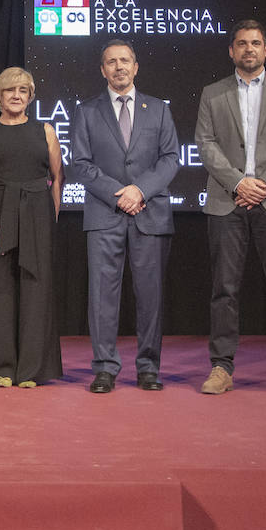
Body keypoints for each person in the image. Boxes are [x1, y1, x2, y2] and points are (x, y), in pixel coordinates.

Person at [194, 20, 266, 398]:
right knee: (224, 289)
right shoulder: (212, 93)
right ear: (231, 51)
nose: (249, 49)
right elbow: (206, 144)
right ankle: (221, 367)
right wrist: (238, 183)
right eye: (242, 43)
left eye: (256, 43)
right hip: (226, 202)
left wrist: (265, 184)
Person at [69, 40, 180, 394]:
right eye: (111, 62)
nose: (119, 67)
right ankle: (104, 368)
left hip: (150, 213)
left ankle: (149, 367)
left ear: (136, 67)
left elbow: (170, 159)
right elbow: (81, 165)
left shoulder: (159, 109)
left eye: (125, 61)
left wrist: (140, 191)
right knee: (102, 295)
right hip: (105, 214)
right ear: (103, 70)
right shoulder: (87, 111)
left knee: (150, 296)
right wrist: (120, 193)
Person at [0, 67, 64, 388]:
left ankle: (31, 370)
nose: (17, 96)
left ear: (30, 96)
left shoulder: (46, 131)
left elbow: (57, 178)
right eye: (10, 90)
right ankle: (0, 368)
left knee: (35, 291)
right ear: (0, 95)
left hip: (37, 214)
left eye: (23, 91)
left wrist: (51, 217)